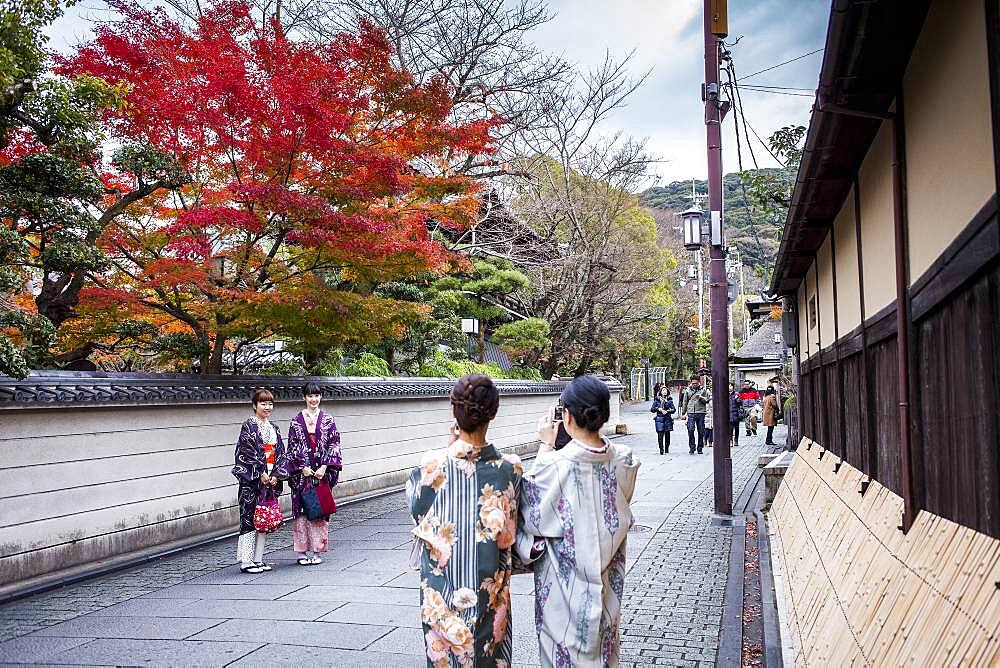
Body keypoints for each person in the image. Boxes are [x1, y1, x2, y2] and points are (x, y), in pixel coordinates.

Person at [518, 375, 640, 667]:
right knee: (604, 646)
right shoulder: (624, 460)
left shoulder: (554, 465)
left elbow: (531, 512)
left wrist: (546, 445)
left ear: (567, 417)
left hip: (564, 587)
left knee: (564, 653)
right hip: (607, 580)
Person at [407, 374, 522, 667]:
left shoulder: (431, 465)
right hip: (489, 593)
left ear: (453, 411)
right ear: (493, 414)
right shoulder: (510, 468)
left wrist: (451, 446)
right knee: (488, 657)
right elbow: (508, 535)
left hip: (441, 594)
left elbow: (417, 511)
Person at [232, 388, 289, 574]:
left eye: (270, 403)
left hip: (270, 478)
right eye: (263, 403)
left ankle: (258, 559)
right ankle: (246, 561)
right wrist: (260, 473)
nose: (267, 407)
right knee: (249, 518)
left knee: (264, 519)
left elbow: (281, 453)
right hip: (253, 480)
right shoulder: (249, 425)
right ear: (254, 405)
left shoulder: (275, 428)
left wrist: (276, 475)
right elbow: (245, 452)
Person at [286, 382, 342, 566]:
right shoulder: (296, 421)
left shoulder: (328, 420)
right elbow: (292, 447)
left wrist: (325, 467)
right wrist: (302, 467)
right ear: (304, 397)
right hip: (302, 475)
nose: (314, 399)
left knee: (318, 511)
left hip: (321, 474)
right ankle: (302, 551)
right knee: (301, 512)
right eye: (310, 396)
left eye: (317, 396)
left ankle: (316, 550)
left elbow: (334, 444)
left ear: (320, 397)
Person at [678, 375, 711, 454]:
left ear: (699, 382)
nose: (694, 385)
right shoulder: (687, 390)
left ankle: (700, 448)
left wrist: (701, 397)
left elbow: (707, 400)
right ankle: (692, 447)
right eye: (693, 383)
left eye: (696, 383)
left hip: (701, 412)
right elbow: (685, 402)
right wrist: (683, 413)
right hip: (691, 412)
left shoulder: (703, 390)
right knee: (690, 429)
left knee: (701, 431)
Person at [649, 385, 675, 454]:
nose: (664, 392)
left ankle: (667, 448)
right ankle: (661, 449)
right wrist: (658, 409)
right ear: (660, 392)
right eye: (663, 390)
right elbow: (652, 409)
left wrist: (668, 411)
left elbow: (673, 409)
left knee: (667, 435)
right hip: (659, 419)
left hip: (667, 418)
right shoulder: (657, 400)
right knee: (660, 434)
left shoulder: (670, 400)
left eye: (665, 390)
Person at [728, 383, 742, 448]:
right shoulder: (725, 394)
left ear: (733, 387)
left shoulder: (736, 394)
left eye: (730, 386)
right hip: (729, 414)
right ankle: (730, 440)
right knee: (730, 428)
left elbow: (740, 403)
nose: (729, 387)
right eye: (728, 386)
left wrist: (737, 399)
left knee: (736, 428)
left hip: (736, 413)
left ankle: (736, 440)